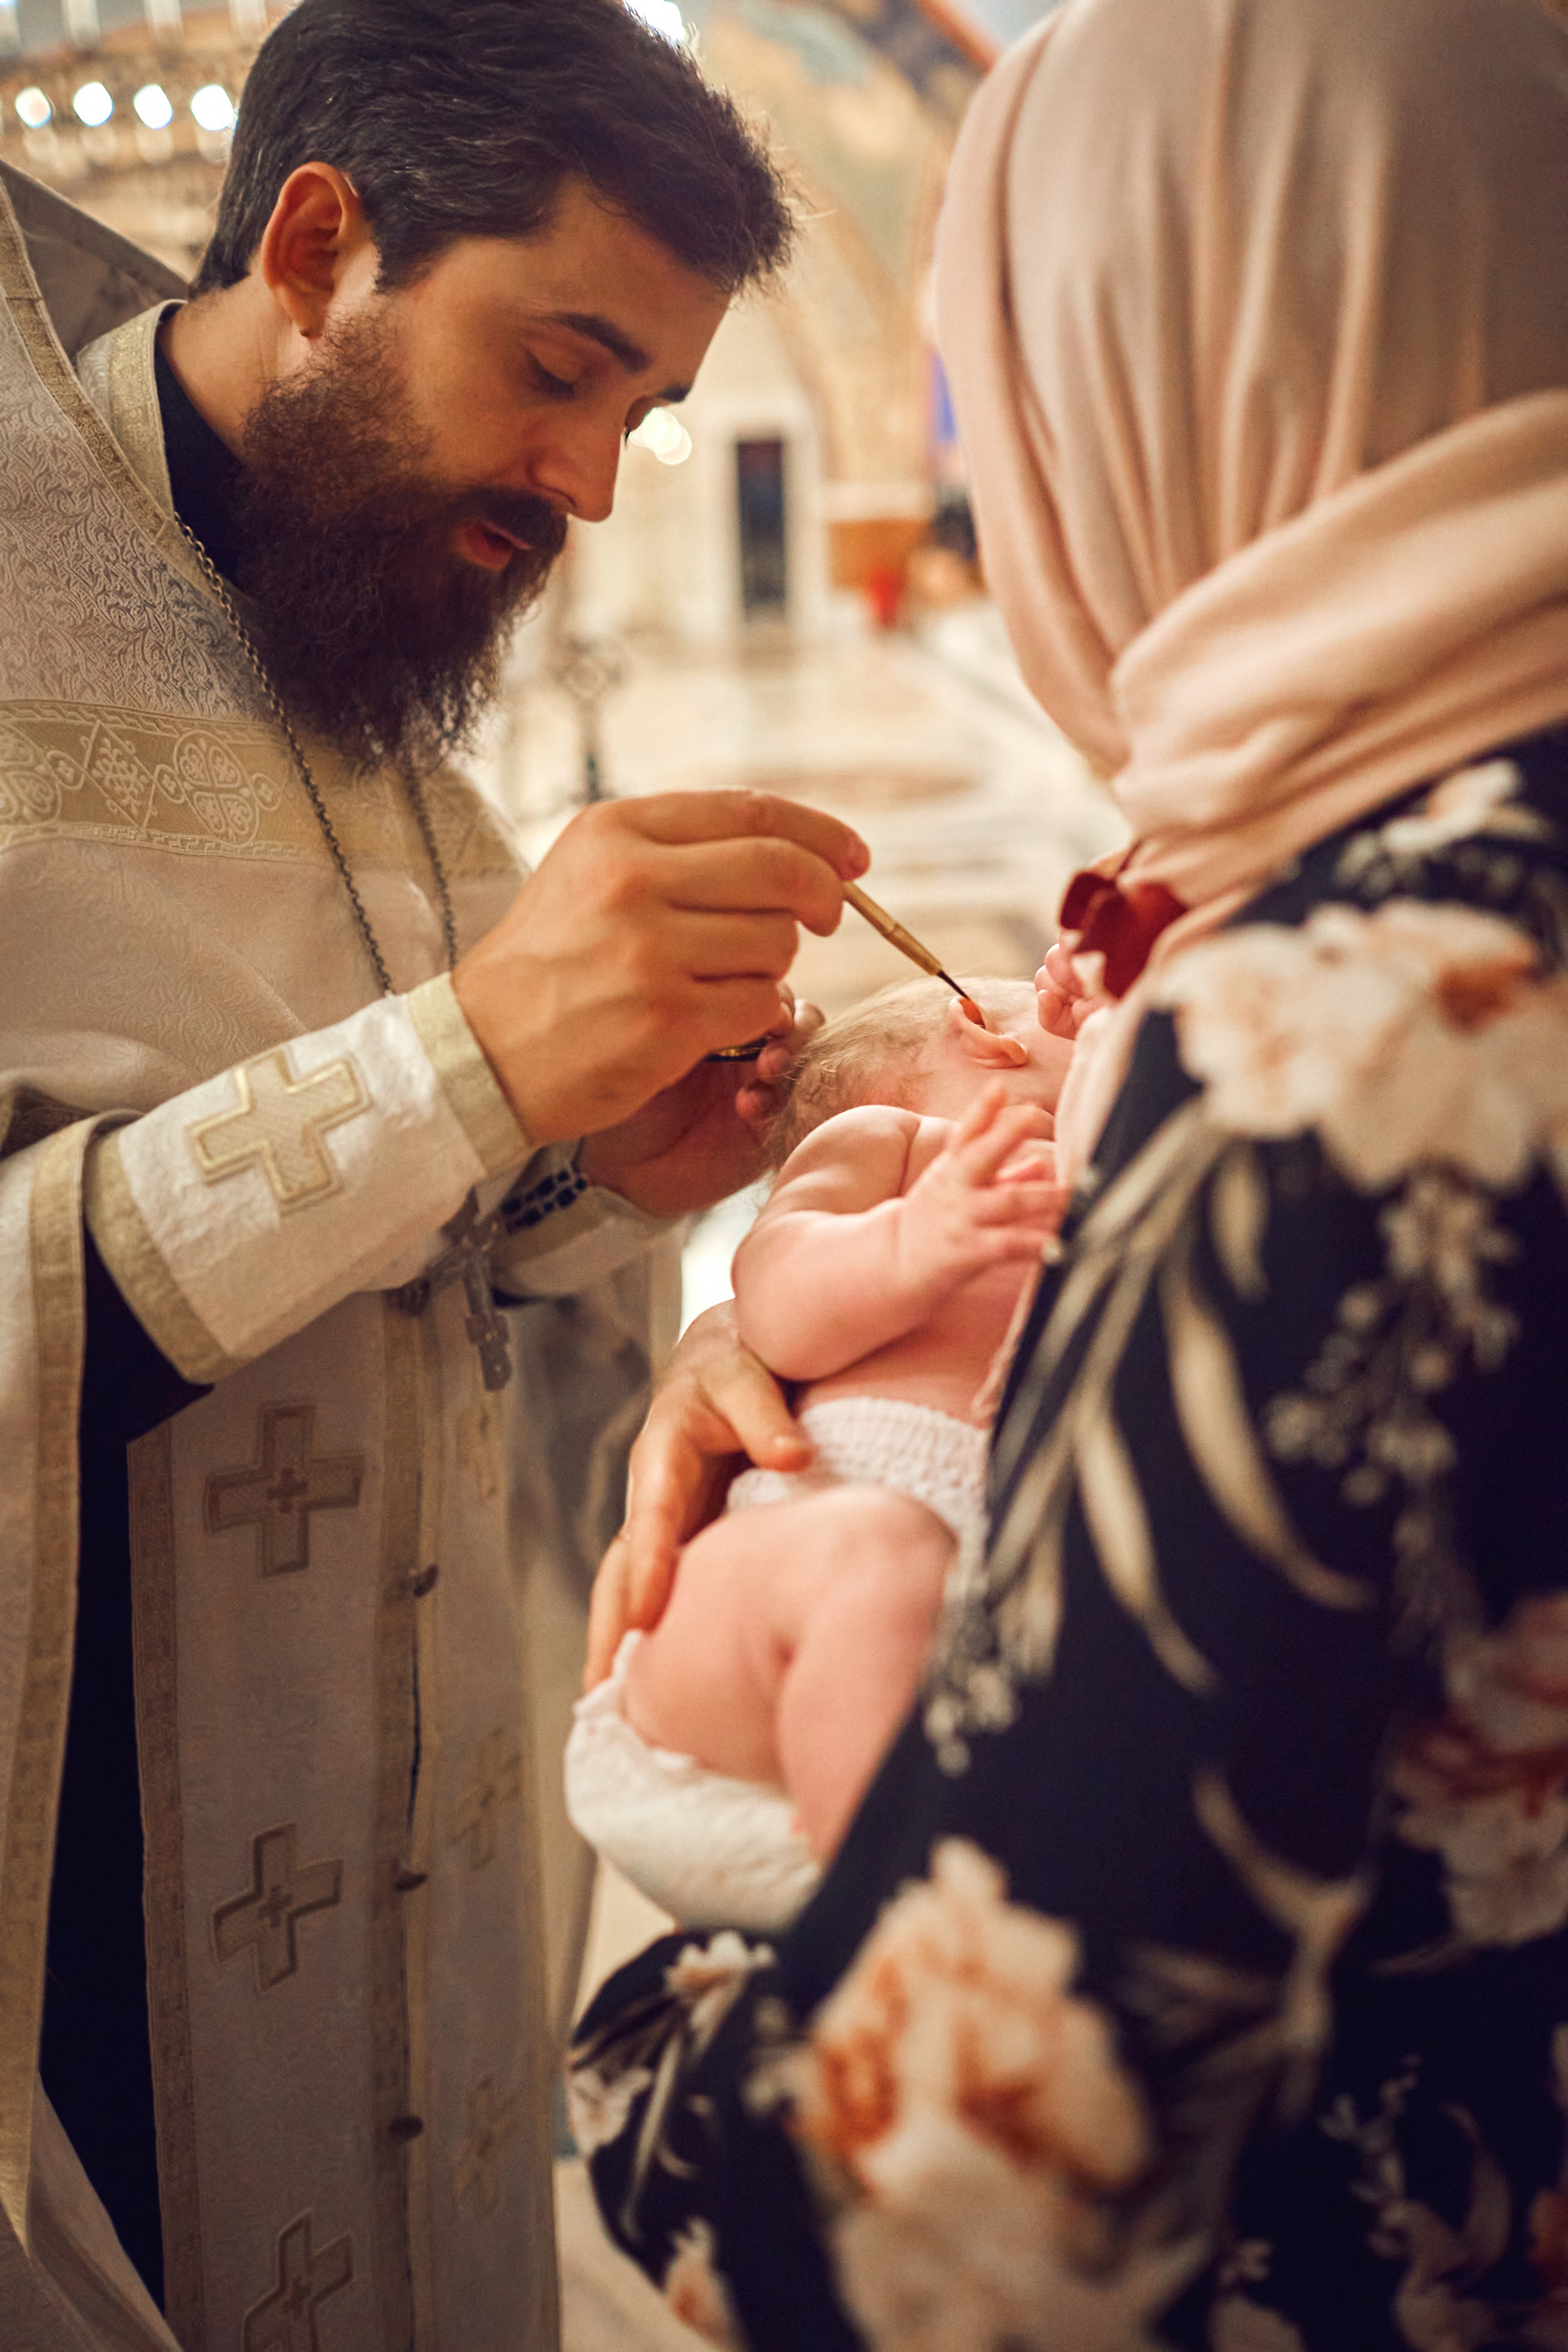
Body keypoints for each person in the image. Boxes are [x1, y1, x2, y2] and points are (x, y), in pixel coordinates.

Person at [568, 1, 1568, 2345]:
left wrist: (647, 2058)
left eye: (1011, 431)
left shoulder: (1353, 1035)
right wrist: (795, 1322)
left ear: (1189, 387)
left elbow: (960, 2218)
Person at [0, 3, 873, 2345]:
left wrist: (595, 1161)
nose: (593, 484)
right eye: (560, 368)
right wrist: (475, 1058)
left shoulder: (349, 593)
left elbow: (428, 1230)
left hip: (400, 1890)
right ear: (318, 242)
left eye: (645, 414)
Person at [565, 979, 1070, 1931]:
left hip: (984, 1639)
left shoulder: (1133, 1192)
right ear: (987, 1033)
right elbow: (777, 1307)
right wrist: (913, 1243)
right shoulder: (897, 1145)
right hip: (799, 1585)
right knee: (880, 1556)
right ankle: (907, 1943)